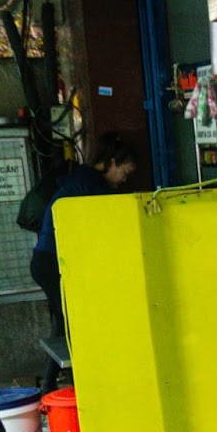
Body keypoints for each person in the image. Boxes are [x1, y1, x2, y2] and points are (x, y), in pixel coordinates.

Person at [29, 134, 137, 337]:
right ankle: (71, 367)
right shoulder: (93, 184)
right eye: (124, 172)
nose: (124, 180)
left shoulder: (82, 177)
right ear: (112, 162)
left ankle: (63, 366)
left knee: (65, 320)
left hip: (46, 261)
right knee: (72, 320)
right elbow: (119, 216)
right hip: (53, 261)